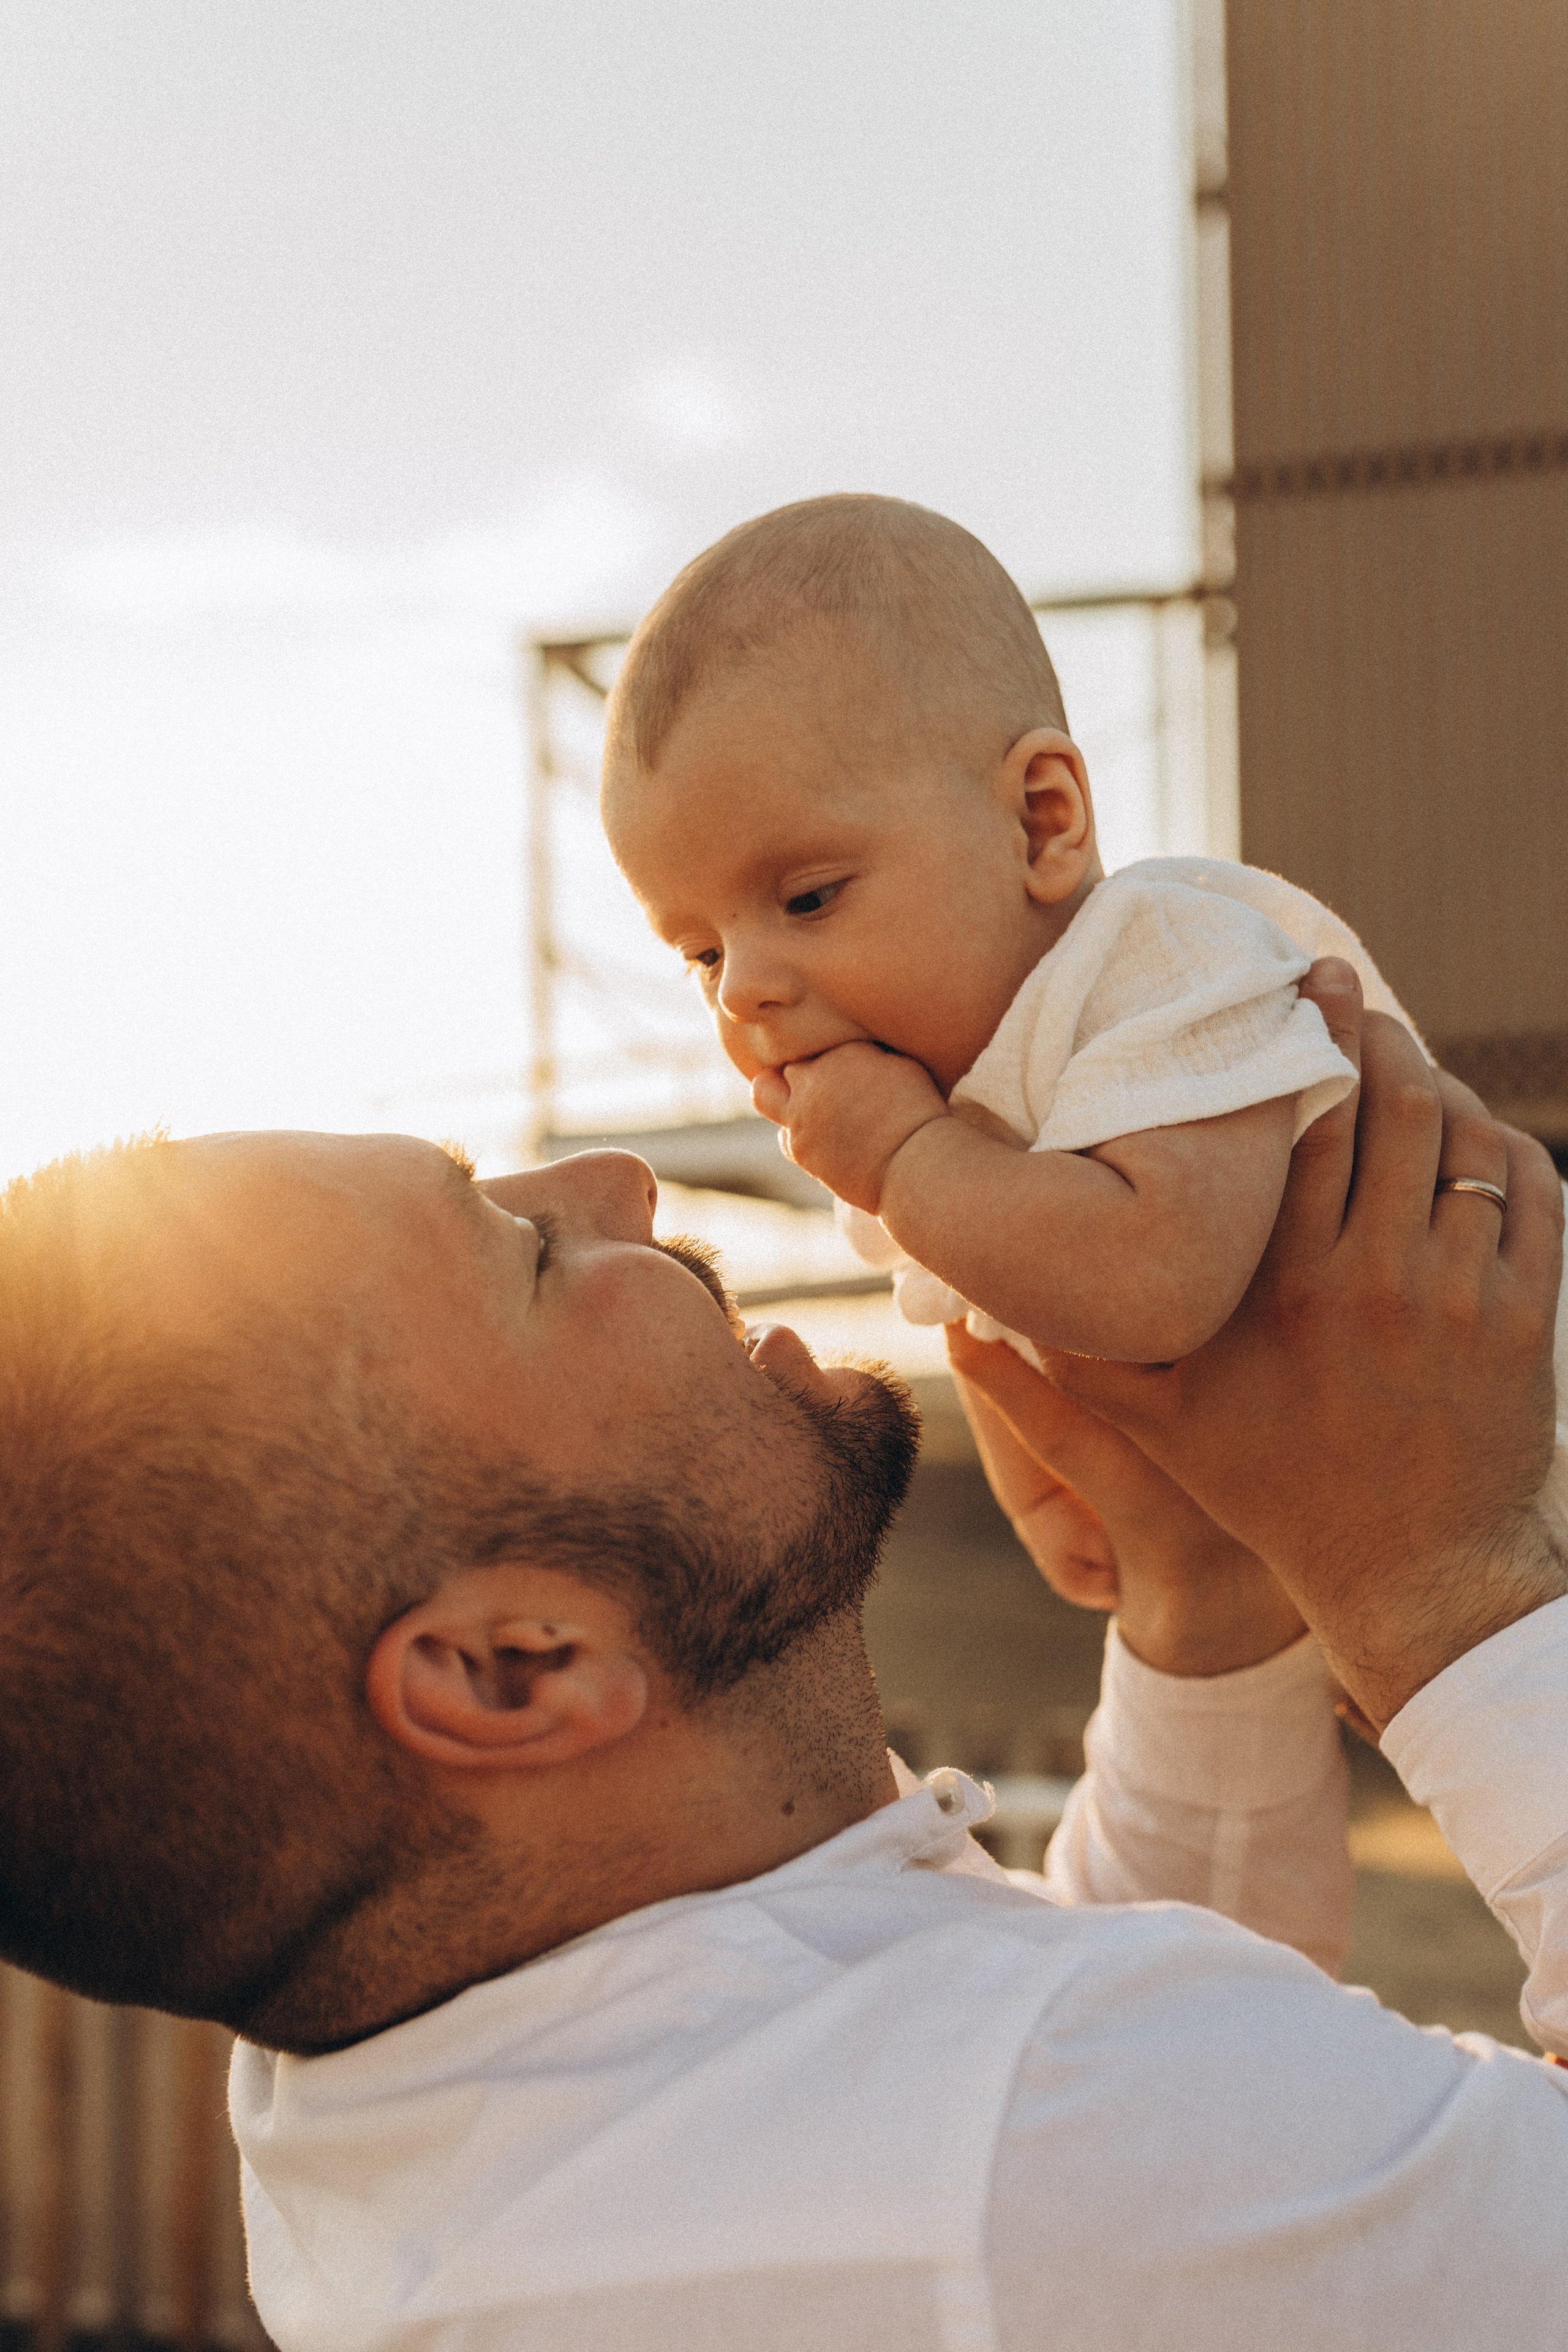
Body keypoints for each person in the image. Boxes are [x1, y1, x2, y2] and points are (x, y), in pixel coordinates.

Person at [1, 976, 1566, 2351]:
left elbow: (1061, 2083)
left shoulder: (394, 2096)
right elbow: (1072, 2146)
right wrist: (1440, 1582)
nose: (617, 1180)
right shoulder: (1024, 2165)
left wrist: (1203, 1605)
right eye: (528, 1255)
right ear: (513, 1668)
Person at [600, 494, 1568, 1550]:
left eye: (810, 898)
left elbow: (1154, 1282)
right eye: (702, 953)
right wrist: (1059, 1498)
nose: (743, 990)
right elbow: (988, 1314)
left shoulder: (1164, 961)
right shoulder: (942, 1124)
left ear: (1040, 821)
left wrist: (910, 1158)